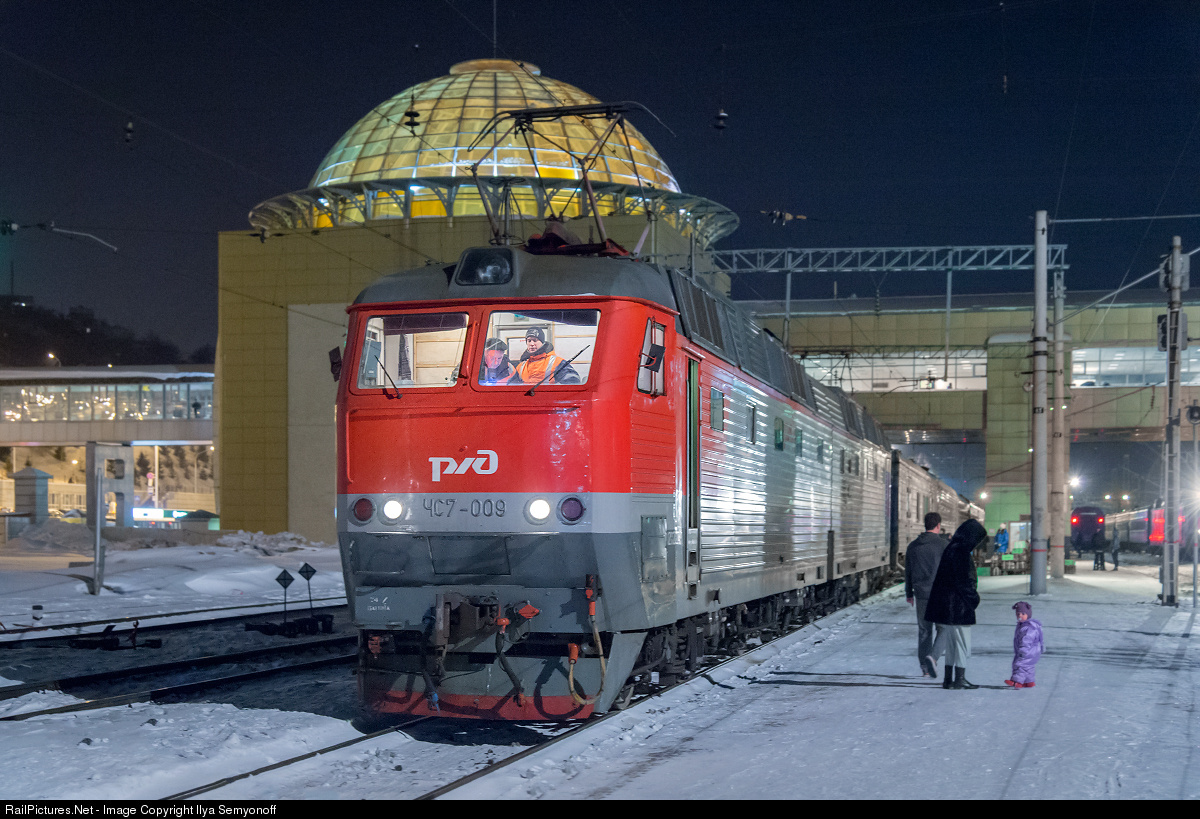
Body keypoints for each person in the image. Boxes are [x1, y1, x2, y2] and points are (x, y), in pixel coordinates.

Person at [924, 518, 988, 690]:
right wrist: (974, 599)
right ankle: (960, 679)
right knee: (961, 644)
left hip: (946, 606)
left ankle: (948, 680)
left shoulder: (951, 548)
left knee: (952, 645)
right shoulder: (962, 553)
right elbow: (964, 581)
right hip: (958, 607)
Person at [905, 512, 950, 678]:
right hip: (940, 594)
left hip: (921, 594)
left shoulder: (913, 546)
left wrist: (909, 593)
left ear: (925, 525)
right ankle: (933, 657)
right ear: (938, 525)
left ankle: (924, 667)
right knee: (944, 629)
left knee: (924, 631)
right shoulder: (944, 545)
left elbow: (908, 572)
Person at [513, 327, 581, 385]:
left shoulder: (557, 362)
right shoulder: (521, 366)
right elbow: (512, 386)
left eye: (535, 340)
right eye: (529, 341)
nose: (532, 344)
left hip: (548, 399)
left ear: (542, 343)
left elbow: (573, 383)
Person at [1004, 601, 1044, 689]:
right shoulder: (1023, 625)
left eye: (1023, 614)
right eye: (1018, 614)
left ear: (1028, 615)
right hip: (1032, 651)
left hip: (1027, 650)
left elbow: (1027, 640)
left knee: (1019, 664)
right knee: (1028, 666)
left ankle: (1017, 682)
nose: (1020, 616)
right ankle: (1029, 682)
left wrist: (1023, 650)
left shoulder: (1028, 627)